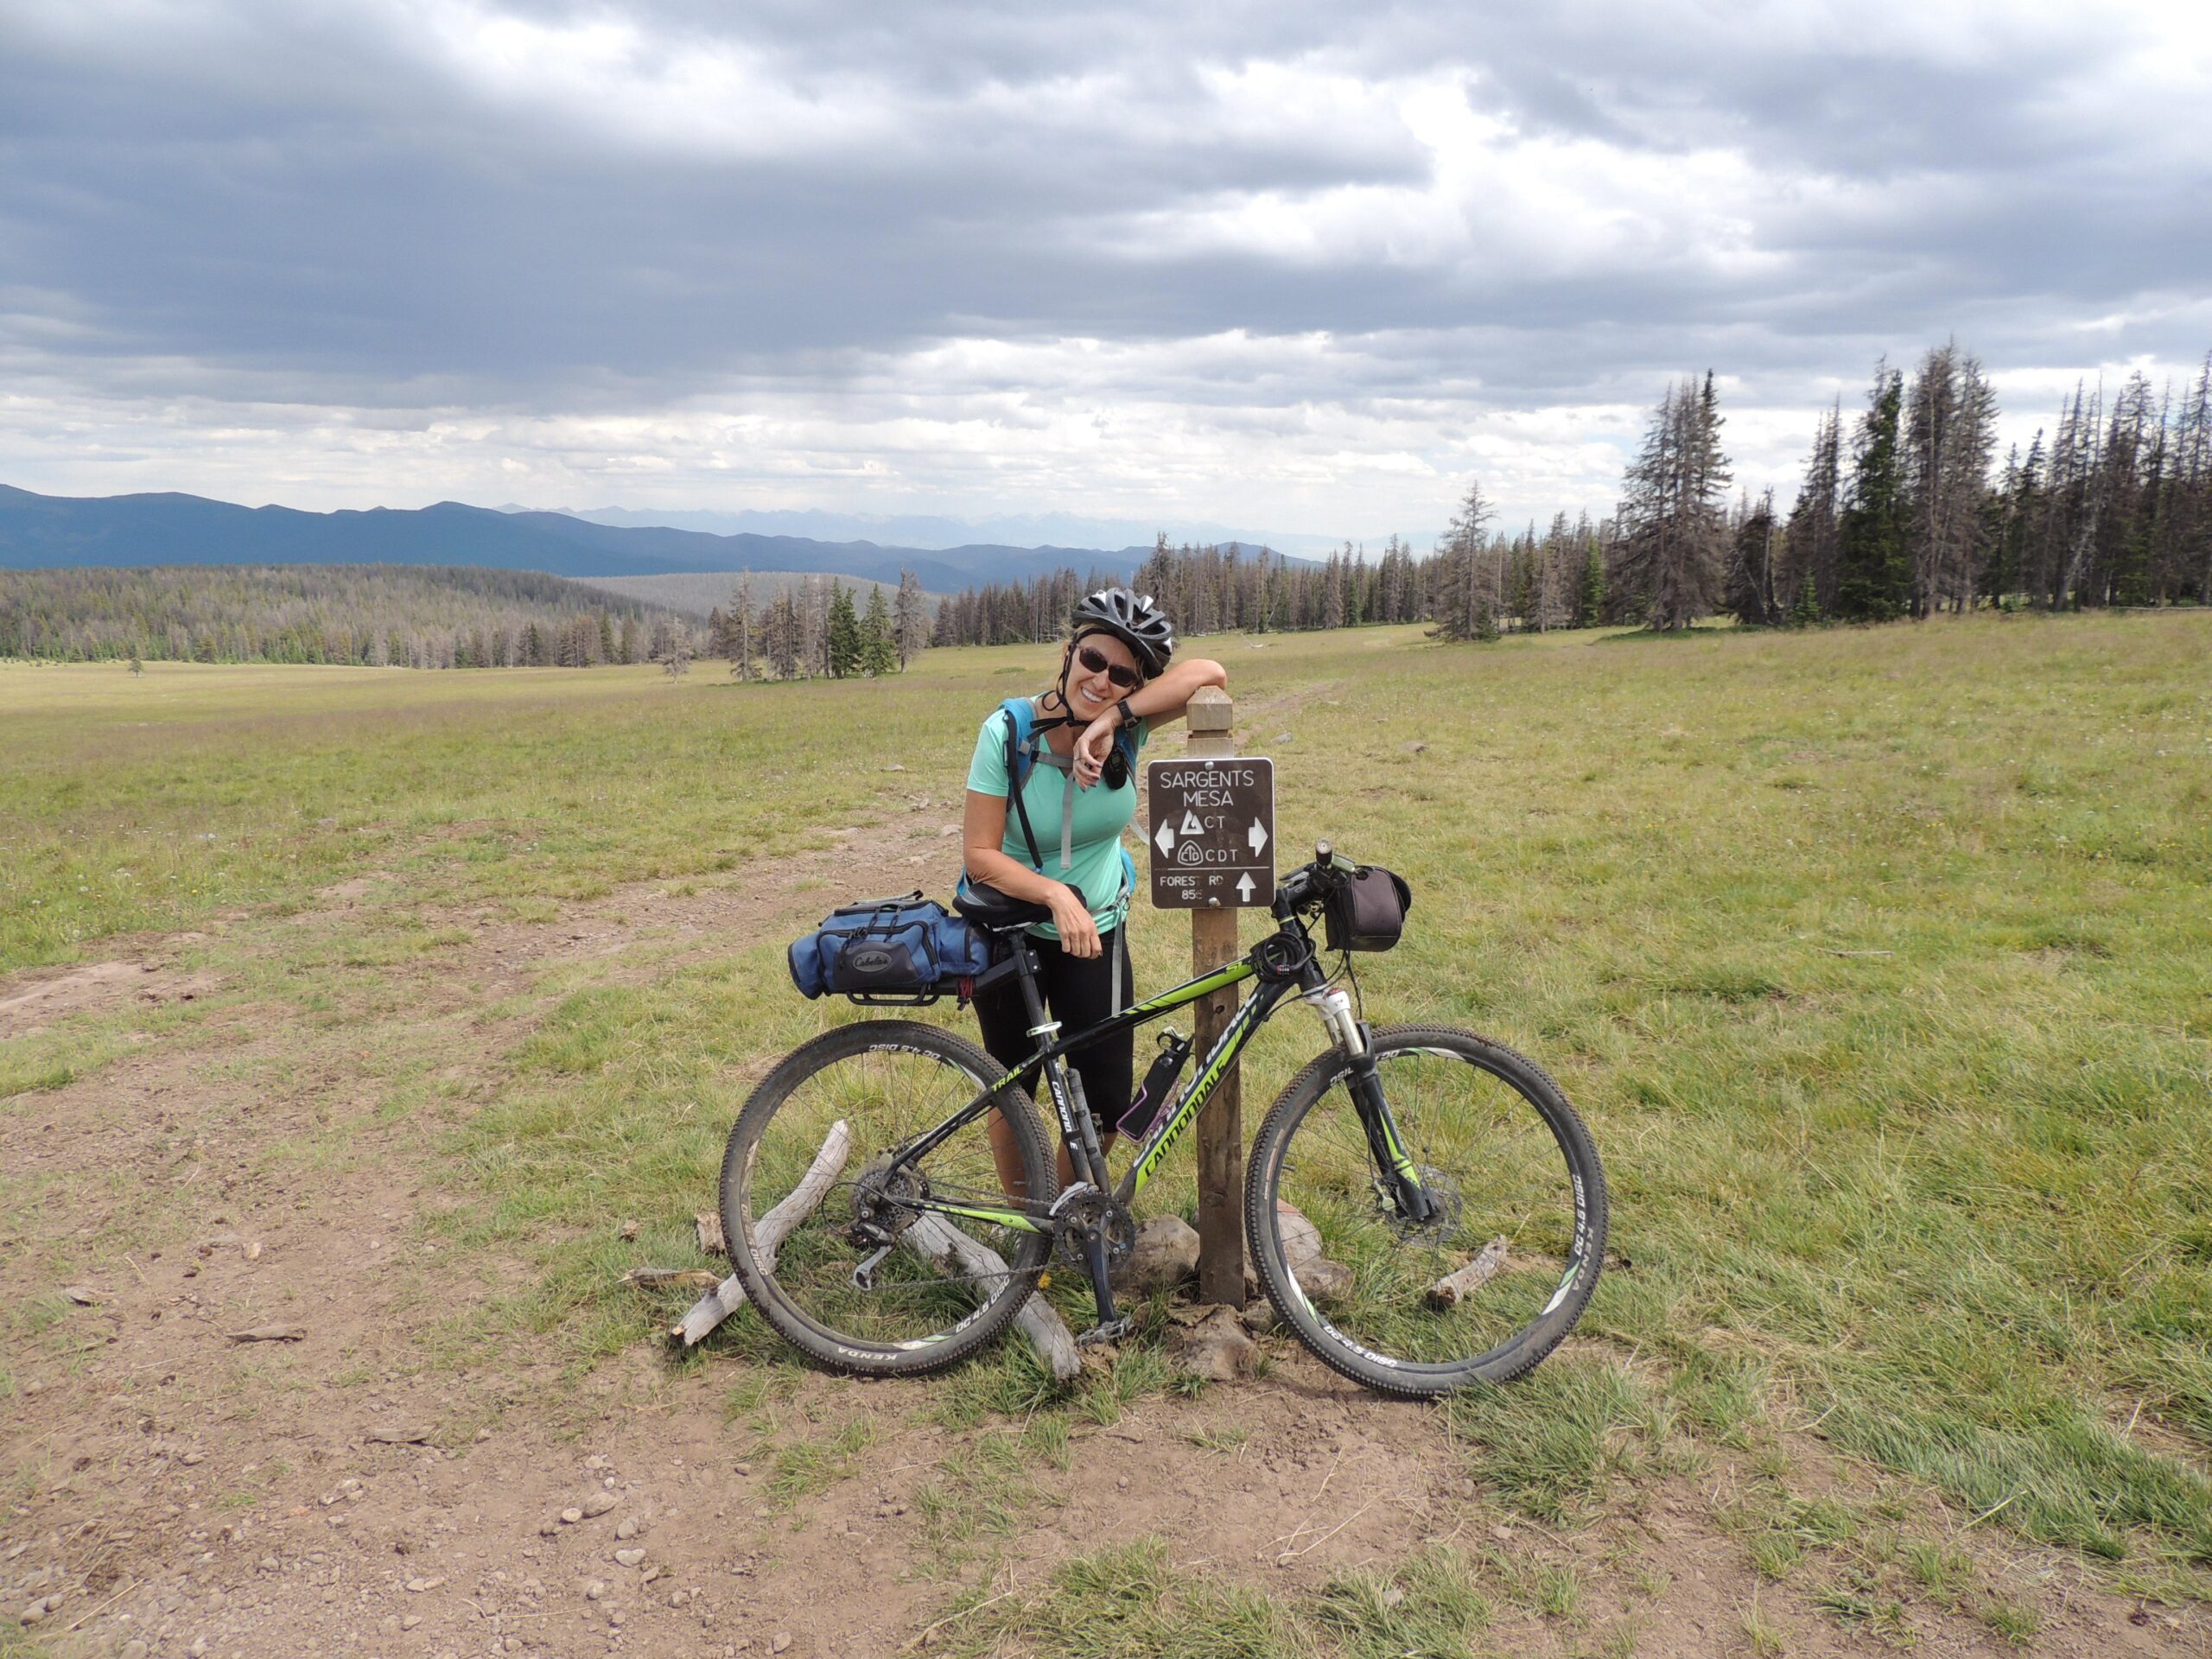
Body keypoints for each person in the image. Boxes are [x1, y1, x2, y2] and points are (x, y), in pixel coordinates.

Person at [963, 588, 1228, 1189]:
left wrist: (1113, 720)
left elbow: (1209, 673)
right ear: (1068, 653)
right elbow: (979, 855)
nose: (1101, 679)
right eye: (1093, 661)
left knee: (1107, 1104)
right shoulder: (1007, 732)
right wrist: (1056, 896)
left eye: (1123, 675)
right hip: (1010, 929)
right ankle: (1029, 1224)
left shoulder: (1127, 732)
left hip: (1097, 932)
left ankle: (1063, 1214)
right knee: (1014, 1089)